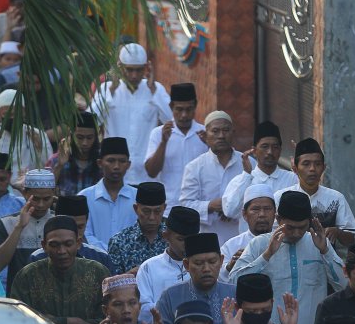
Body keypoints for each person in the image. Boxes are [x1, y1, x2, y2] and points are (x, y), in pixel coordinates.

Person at [231, 190, 346, 324]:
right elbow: (234, 282)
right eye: (290, 227)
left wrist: (325, 251)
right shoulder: (260, 244)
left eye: (302, 227)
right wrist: (267, 255)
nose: (297, 233)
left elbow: (344, 287)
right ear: (278, 219)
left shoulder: (318, 243)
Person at [10, 215, 109, 324]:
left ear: (78, 243)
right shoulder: (27, 276)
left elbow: (110, 317)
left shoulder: (98, 273)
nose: (61, 251)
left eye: (68, 244)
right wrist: (65, 323)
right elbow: (17, 318)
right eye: (54, 245)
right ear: (44, 245)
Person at [90, 42, 171, 184]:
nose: (134, 75)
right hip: (114, 172)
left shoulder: (156, 89)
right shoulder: (106, 89)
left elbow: (172, 121)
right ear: (119, 67)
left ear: (146, 68)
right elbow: (90, 122)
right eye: (129, 70)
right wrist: (110, 92)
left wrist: (154, 91)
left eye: (139, 70)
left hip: (146, 172)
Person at [274, 138, 355, 247]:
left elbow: (351, 240)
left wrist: (338, 232)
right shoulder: (280, 197)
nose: (312, 169)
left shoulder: (336, 198)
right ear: (295, 168)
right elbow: (271, 235)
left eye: (317, 164)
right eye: (306, 164)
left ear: (324, 168)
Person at [157, 232, 235, 324]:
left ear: (221, 261)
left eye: (212, 262)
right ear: (187, 264)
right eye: (199, 263)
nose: (206, 269)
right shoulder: (170, 296)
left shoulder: (235, 293)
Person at [180, 110, 246, 245]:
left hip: (241, 238)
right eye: (215, 131)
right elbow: (185, 205)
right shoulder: (195, 167)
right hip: (207, 240)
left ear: (233, 132)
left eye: (226, 130)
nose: (221, 136)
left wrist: (234, 209)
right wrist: (211, 205)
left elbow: (257, 199)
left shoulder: (247, 163)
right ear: (205, 135)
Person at [222, 120, 298, 233]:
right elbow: (230, 211)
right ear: (254, 151)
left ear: (280, 150)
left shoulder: (292, 179)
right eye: (265, 146)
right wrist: (246, 176)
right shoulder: (241, 180)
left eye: (275, 147)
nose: (270, 152)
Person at [0, 168, 55, 293]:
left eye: (46, 199)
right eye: (35, 199)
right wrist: (19, 227)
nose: (40, 204)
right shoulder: (7, 223)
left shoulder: (59, 222)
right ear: (25, 193)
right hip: (19, 299)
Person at [144, 82, 208, 216]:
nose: (184, 115)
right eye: (179, 109)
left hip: (198, 209)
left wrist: (210, 145)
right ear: (171, 107)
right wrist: (163, 142)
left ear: (195, 106)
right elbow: (151, 172)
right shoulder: (158, 133)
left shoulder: (205, 134)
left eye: (189, 109)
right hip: (168, 209)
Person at [135, 205, 200, 324]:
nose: (187, 245)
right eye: (181, 239)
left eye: (192, 239)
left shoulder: (203, 267)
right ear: (166, 236)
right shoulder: (149, 268)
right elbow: (142, 312)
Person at [77, 136, 137, 251]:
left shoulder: (138, 197)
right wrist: (109, 253)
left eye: (122, 161)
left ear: (128, 164)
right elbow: (84, 234)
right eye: (111, 161)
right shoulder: (84, 197)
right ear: (100, 163)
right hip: (94, 261)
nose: (116, 166)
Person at [28, 195, 112, 271]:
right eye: (69, 226)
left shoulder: (101, 257)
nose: (74, 232)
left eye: (80, 227)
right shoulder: (37, 259)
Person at [0, 89, 51, 180]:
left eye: (16, 114)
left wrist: (40, 148)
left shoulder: (38, 135)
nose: (12, 118)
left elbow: (48, 168)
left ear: (24, 111)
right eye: (8, 114)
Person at [219, 184, 276, 283]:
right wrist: (230, 267)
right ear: (244, 214)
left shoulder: (283, 241)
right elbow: (219, 279)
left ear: (275, 212)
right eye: (256, 209)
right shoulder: (231, 245)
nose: (262, 214)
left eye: (267, 209)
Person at [108, 181, 167, 275]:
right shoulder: (119, 242)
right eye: (146, 211)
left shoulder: (173, 240)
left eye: (157, 211)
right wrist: (128, 276)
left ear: (164, 208)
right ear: (136, 209)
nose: (152, 217)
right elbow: (111, 285)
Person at [47, 111, 101, 197]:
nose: (85, 143)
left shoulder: (102, 162)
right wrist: (59, 166)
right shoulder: (56, 159)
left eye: (89, 138)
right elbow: (45, 191)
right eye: (79, 137)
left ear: (95, 137)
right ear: (71, 135)